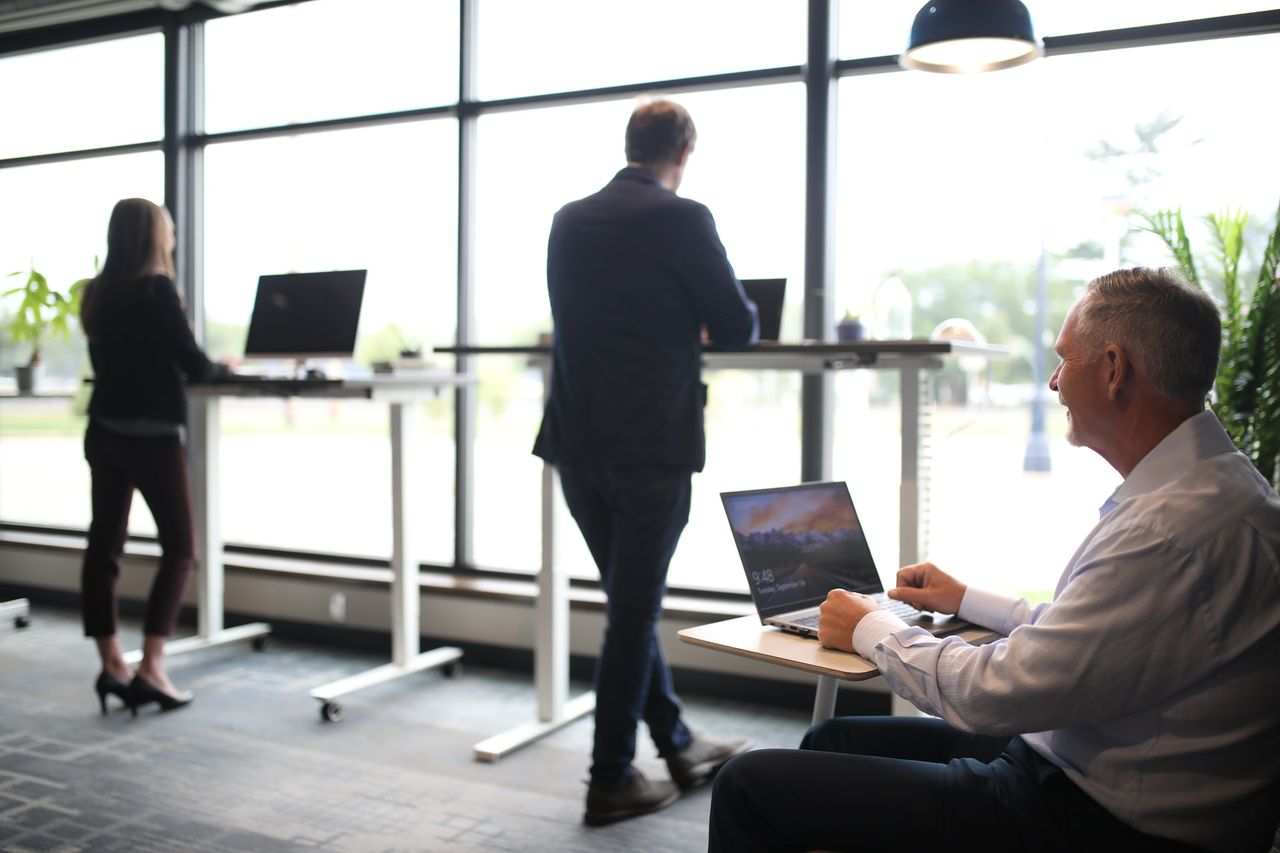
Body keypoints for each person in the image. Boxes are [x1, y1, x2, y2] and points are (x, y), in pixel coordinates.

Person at [708, 266, 1280, 853]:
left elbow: (992, 694)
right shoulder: (1216, 489)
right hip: (1085, 761)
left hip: (1091, 817)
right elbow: (1090, 644)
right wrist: (966, 602)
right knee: (834, 739)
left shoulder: (1168, 532)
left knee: (747, 784)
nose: (1054, 382)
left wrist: (870, 628)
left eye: (1065, 359)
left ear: (1114, 370)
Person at [533, 98, 760, 825]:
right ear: (683, 152)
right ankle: (610, 778)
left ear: (630, 144)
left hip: (575, 443)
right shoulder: (683, 217)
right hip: (649, 448)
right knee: (631, 616)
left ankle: (678, 741)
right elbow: (736, 325)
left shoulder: (568, 219)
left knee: (629, 606)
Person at [79, 198, 228, 717]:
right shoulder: (157, 290)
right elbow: (193, 363)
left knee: (104, 548)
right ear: (152, 237)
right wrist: (226, 367)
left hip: (104, 433)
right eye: (167, 229)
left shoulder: (96, 294)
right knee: (182, 547)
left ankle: (112, 663)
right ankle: (154, 668)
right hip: (151, 437)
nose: (172, 237)